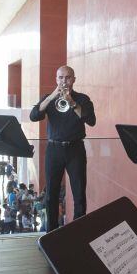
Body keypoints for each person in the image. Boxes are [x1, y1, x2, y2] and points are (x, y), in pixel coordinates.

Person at [29, 65, 97, 231]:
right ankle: (51, 232)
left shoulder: (82, 99)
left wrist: (72, 102)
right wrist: (52, 96)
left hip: (75, 150)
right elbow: (34, 116)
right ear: (56, 79)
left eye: (67, 77)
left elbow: (91, 121)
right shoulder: (49, 99)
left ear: (74, 79)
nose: (64, 81)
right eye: (60, 77)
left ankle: (78, 233)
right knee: (51, 194)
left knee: (79, 194)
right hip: (54, 150)